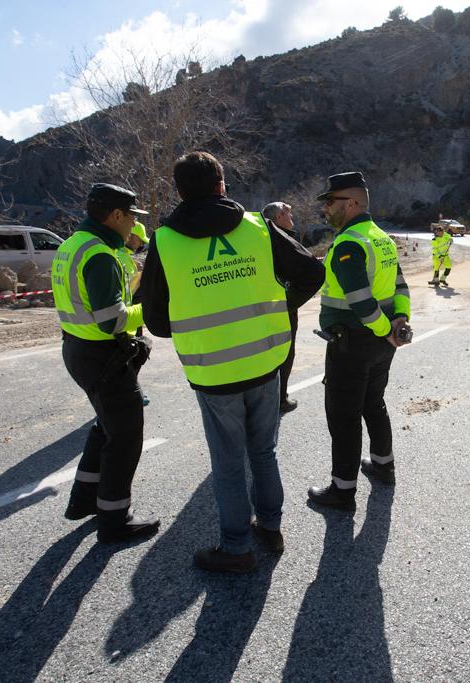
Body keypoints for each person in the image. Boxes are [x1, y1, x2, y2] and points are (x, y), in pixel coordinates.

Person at [138, 151, 324, 573]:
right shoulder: (259, 228)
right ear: (222, 186)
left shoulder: (165, 242)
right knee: (264, 452)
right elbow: (312, 273)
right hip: (265, 360)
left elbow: (156, 321)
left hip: (213, 369)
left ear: (179, 192)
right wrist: (279, 309)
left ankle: (236, 548)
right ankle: (271, 529)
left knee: (227, 463)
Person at [52, 183, 159, 544]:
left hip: (80, 350)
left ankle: (83, 500)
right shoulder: (99, 255)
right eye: (131, 217)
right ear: (116, 215)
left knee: (106, 427)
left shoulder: (73, 244)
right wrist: (153, 311)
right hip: (102, 356)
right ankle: (114, 519)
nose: (133, 225)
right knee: (126, 435)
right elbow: (111, 320)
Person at [308, 171, 412, 512]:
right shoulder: (380, 237)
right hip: (380, 344)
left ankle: (342, 490)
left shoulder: (350, 243)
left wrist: (385, 330)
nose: (325, 208)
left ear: (352, 203)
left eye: (330, 202)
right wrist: (400, 322)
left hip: (353, 344)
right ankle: (383, 466)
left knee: (344, 417)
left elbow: (361, 301)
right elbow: (400, 287)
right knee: (373, 404)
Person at [261, 201, 309, 414]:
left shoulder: (261, 238)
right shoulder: (281, 239)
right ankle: (280, 398)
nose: (292, 219)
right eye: (289, 214)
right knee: (285, 351)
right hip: (283, 303)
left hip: (266, 303)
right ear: (279, 217)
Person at [118, 222, 151, 406]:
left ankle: (133, 391)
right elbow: (130, 291)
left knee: (132, 354)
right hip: (128, 316)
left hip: (128, 314)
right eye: (139, 240)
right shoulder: (126, 260)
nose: (141, 245)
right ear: (131, 236)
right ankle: (131, 393)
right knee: (132, 354)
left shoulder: (123, 255)